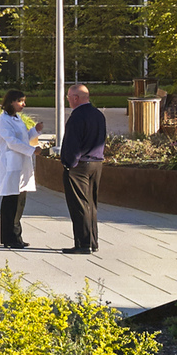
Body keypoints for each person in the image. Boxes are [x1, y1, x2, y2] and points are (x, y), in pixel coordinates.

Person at [57, 81, 109, 255]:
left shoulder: (77, 116)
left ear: (76, 98)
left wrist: (68, 163)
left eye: (69, 97)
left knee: (79, 204)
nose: (68, 100)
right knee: (91, 204)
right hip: (96, 163)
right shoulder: (98, 115)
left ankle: (83, 243)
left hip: (79, 166)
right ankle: (93, 241)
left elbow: (72, 143)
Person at [0, 93, 38, 249]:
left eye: (24, 101)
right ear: (10, 102)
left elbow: (23, 138)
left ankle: (16, 236)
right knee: (11, 202)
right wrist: (32, 151)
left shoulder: (17, 118)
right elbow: (12, 142)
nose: (23, 104)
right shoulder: (3, 120)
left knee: (20, 202)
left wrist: (35, 131)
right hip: (10, 164)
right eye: (20, 101)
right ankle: (9, 238)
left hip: (21, 164)